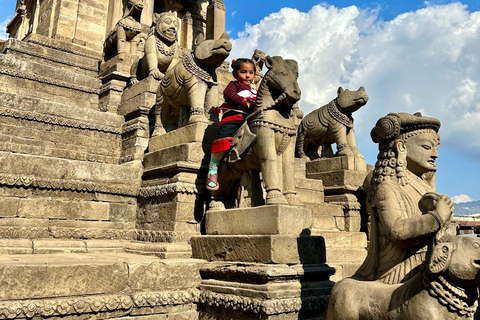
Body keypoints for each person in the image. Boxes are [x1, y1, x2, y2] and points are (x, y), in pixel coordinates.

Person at [354, 112, 454, 284]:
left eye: (436, 148)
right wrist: (436, 218)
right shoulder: (386, 187)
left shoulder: (419, 185)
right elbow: (398, 231)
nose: (435, 154)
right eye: (426, 147)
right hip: (400, 276)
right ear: (401, 148)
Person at [206, 58, 257, 191]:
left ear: (255, 75)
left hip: (249, 119)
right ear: (235, 74)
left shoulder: (256, 92)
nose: (247, 75)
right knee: (224, 139)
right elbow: (228, 95)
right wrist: (244, 101)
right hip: (233, 118)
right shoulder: (234, 85)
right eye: (243, 72)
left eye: (251, 72)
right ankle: (213, 168)